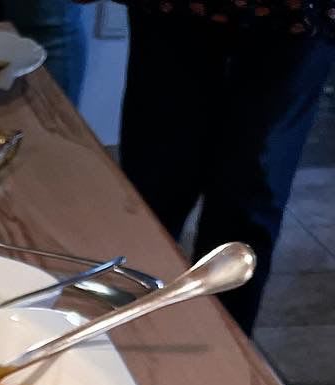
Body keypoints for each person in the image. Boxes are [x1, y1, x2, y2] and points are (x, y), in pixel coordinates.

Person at [117, 0, 335, 332]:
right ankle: (124, 338)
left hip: (297, 13)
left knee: (247, 203)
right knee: (151, 193)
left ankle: (218, 349)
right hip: (175, 10)